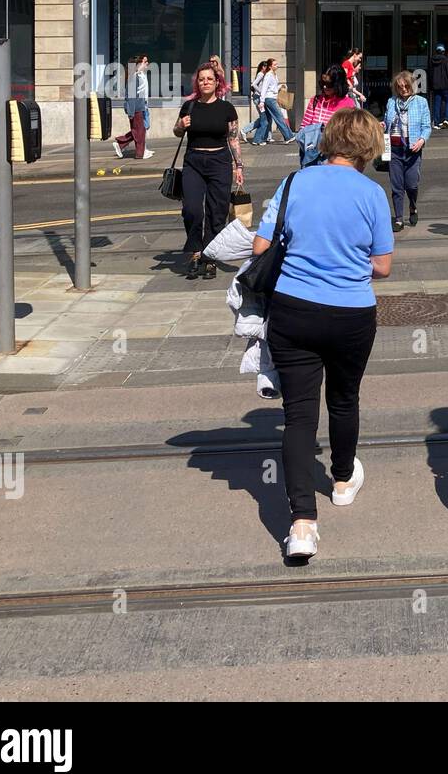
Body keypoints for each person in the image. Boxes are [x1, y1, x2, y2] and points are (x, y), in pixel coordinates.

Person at [256, 108, 394, 560]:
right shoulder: (373, 194)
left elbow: (261, 247)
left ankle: (301, 525)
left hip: (293, 310)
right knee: (344, 397)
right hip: (351, 313)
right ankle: (341, 479)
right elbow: (383, 267)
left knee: (298, 415)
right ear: (370, 146)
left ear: (328, 139)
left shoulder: (295, 182)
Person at [174, 62, 243, 279]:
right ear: (197, 82)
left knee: (217, 211)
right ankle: (195, 252)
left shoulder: (226, 109)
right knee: (192, 209)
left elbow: (233, 139)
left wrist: (238, 166)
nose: (205, 82)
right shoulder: (189, 107)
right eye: (202, 79)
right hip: (193, 161)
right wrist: (181, 125)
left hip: (220, 162)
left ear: (216, 83)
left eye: (209, 79)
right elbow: (177, 132)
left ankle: (209, 256)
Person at [384, 69, 432, 232]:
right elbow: (386, 122)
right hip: (394, 148)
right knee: (397, 186)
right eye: (400, 87)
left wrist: (422, 140)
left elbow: (426, 127)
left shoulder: (420, 102)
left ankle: (413, 206)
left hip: (412, 149)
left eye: (406, 86)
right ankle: (398, 219)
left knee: (411, 184)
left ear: (412, 86)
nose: (403, 89)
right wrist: (382, 125)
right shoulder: (392, 102)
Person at [113, 53, 152, 160]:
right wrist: (131, 112)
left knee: (139, 130)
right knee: (139, 131)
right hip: (136, 108)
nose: (147, 63)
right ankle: (140, 154)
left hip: (141, 107)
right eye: (145, 62)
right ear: (138, 64)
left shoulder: (139, 76)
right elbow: (131, 97)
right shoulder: (134, 78)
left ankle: (121, 144)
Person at [250, 59, 295, 145]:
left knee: (266, 120)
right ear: (270, 66)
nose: (277, 66)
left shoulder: (274, 75)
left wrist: (280, 86)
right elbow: (264, 89)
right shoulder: (268, 75)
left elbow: (272, 88)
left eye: (277, 64)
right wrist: (262, 101)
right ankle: (288, 136)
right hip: (269, 99)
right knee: (279, 117)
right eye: (275, 65)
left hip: (272, 98)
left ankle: (257, 140)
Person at [428, 43, 448, 127]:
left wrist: (431, 85)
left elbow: (430, 74)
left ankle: (436, 122)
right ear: (443, 51)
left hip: (436, 85)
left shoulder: (431, 60)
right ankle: (446, 119)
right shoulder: (446, 60)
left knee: (437, 103)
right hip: (446, 85)